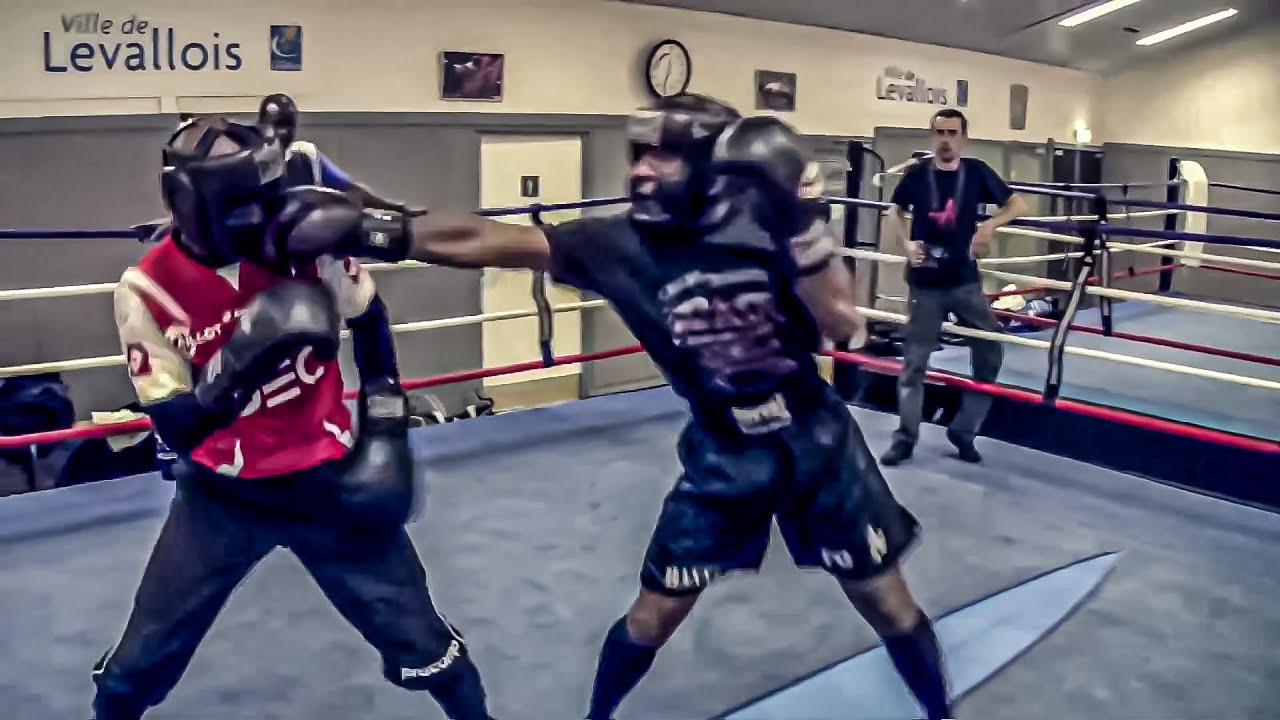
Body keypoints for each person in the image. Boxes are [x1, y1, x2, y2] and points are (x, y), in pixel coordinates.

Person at [257, 93, 955, 720]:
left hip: (816, 442)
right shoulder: (618, 243)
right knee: (653, 616)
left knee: (887, 604)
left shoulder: (767, 224)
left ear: (712, 166)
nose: (642, 171)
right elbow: (486, 239)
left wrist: (803, 222)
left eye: (663, 156)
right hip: (723, 451)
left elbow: (840, 325)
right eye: (636, 154)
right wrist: (375, 230)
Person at [93, 116, 495, 720]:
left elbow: (369, 320)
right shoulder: (147, 289)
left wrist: (385, 427)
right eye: (240, 205)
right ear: (188, 205)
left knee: (430, 650)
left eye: (265, 197)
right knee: (134, 670)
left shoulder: (304, 240)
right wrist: (238, 364)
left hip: (326, 481)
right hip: (222, 495)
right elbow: (174, 425)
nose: (259, 216)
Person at [881, 108, 1027, 467]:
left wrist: (988, 226)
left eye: (952, 133)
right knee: (914, 363)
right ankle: (905, 438)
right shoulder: (918, 174)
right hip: (925, 283)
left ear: (963, 137)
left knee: (990, 349)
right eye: (940, 133)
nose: (946, 140)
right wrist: (905, 244)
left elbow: (1018, 204)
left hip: (964, 282)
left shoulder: (976, 171)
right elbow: (894, 211)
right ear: (932, 135)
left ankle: (964, 430)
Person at [257, 93, 418, 214]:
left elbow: (351, 190)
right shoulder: (247, 161)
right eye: (277, 125)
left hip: (303, 244)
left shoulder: (307, 156)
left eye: (289, 125)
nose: (284, 132)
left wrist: (394, 207)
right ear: (261, 125)